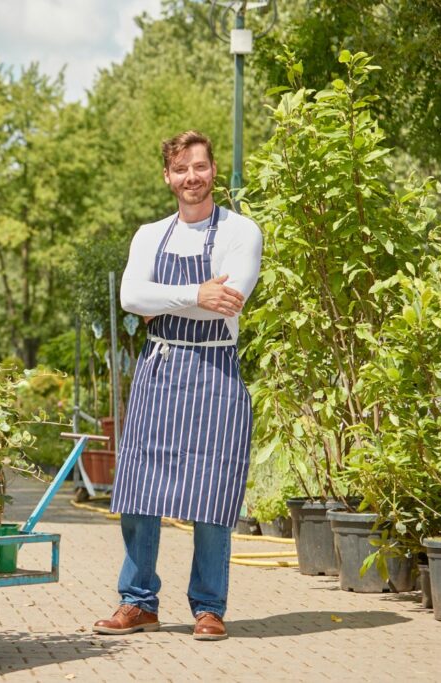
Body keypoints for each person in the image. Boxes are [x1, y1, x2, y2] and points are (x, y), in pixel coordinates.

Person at [93, 130, 263, 641]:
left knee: (213, 493)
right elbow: (129, 297)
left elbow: (229, 298)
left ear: (214, 171)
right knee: (140, 490)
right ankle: (138, 602)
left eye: (200, 167)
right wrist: (194, 293)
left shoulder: (242, 231)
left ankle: (209, 607)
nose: (192, 177)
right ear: (167, 177)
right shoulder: (149, 235)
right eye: (181, 169)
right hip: (160, 370)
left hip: (216, 373)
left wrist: (162, 299)